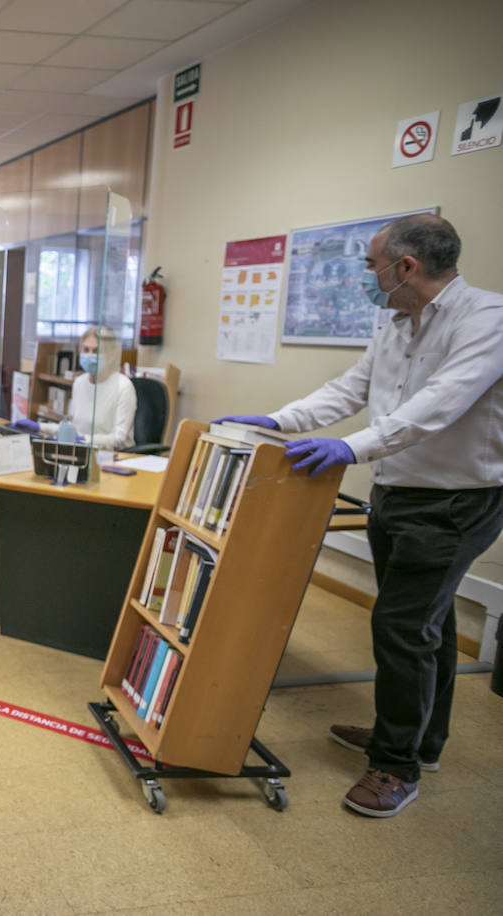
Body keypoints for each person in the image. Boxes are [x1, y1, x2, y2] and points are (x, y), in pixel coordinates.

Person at [217, 213, 503, 818]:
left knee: (402, 627)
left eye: (372, 264)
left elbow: (441, 403)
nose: (366, 275)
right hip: (397, 492)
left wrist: (352, 448)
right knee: (430, 625)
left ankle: (396, 768)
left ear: (406, 267)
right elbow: (349, 388)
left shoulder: (488, 320)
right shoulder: (397, 324)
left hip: (456, 501)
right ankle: (420, 741)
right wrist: (281, 419)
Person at [15, 327, 137, 450]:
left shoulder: (123, 387)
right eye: (86, 350)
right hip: (83, 452)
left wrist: (84, 440)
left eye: (96, 351)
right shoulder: (79, 382)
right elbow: (73, 430)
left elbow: (119, 438)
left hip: (115, 457)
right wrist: (39, 427)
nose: (90, 355)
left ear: (111, 356)